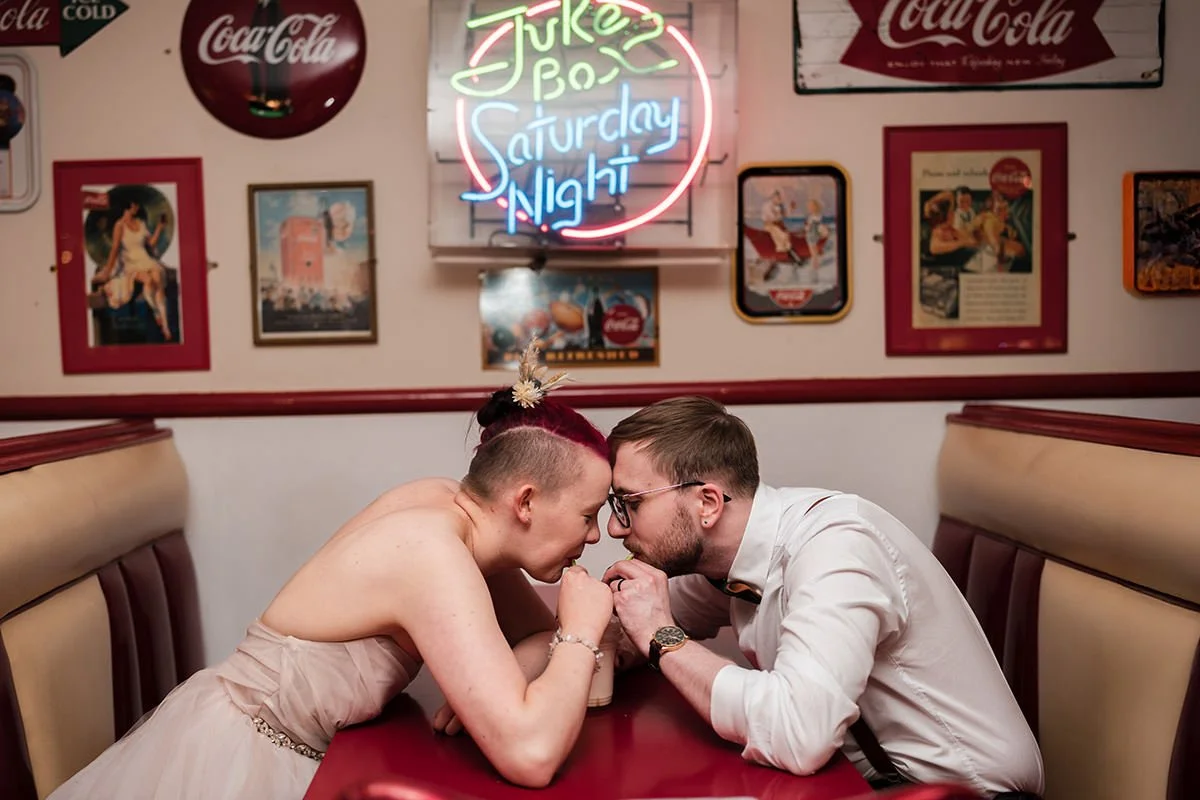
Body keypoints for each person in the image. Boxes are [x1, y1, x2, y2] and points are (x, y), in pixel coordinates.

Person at [50, 340, 617, 799]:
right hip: (246, 764)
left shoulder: (452, 507)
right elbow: (531, 756)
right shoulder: (430, 550)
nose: (594, 536)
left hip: (312, 756)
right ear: (525, 502)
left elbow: (531, 640)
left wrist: (499, 688)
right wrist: (582, 633)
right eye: (588, 515)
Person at [600, 396, 1044, 799]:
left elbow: (800, 733)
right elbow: (629, 629)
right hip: (863, 781)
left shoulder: (835, 546)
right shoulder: (728, 562)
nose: (616, 528)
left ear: (708, 503)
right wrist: (603, 634)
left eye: (630, 504)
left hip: (962, 793)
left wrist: (661, 636)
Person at [92, 200, 174, 341]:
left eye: (137, 204)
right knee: (148, 281)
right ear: (127, 207)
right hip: (131, 264)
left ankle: (165, 326)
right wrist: (108, 271)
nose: (137, 207)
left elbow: (151, 243)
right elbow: (115, 249)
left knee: (158, 280)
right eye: (134, 204)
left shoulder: (141, 223)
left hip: (146, 260)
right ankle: (156, 311)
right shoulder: (119, 225)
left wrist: (160, 227)